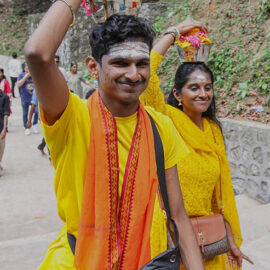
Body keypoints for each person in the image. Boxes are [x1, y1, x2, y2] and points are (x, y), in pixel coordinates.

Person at [24, 1, 205, 269]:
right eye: (120, 63)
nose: (134, 75)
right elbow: (38, 54)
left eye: (142, 63)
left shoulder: (160, 126)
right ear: (93, 67)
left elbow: (178, 217)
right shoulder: (72, 116)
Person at [140, 18, 254, 269]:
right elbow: (146, 74)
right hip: (173, 239)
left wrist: (231, 240)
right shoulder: (165, 119)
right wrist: (174, 33)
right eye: (194, 88)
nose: (203, 93)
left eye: (207, 87)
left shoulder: (212, 130)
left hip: (211, 241)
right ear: (178, 95)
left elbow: (219, 196)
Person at [17, 63, 39, 135]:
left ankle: (34, 124)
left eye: (30, 68)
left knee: (36, 111)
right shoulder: (21, 75)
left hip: (34, 97)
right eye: (27, 68)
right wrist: (26, 76)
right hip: (25, 97)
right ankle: (26, 127)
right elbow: (19, 85)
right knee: (25, 113)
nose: (28, 70)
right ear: (24, 69)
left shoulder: (35, 75)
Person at [27, 90, 47, 155]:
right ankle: (50, 157)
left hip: (55, 115)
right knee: (49, 136)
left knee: (49, 135)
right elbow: (33, 105)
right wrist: (29, 120)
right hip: (43, 118)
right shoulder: (37, 90)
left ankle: (41, 146)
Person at [0, 82, 10, 173]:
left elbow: (6, 114)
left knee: (1, 148)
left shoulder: (5, 97)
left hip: (0, 127)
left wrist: (4, 128)